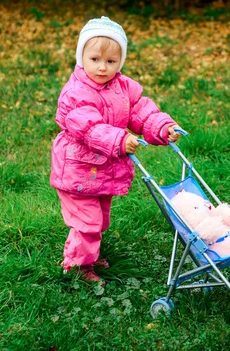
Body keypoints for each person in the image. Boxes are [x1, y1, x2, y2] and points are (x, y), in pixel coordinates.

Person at [50, 16, 181, 283]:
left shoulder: (123, 87)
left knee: (100, 217)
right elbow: (88, 128)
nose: (102, 67)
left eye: (111, 62)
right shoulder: (75, 93)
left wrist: (162, 127)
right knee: (88, 220)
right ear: (81, 57)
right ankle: (77, 267)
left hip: (101, 170)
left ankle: (90, 253)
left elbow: (141, 112)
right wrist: (120, 141)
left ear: (119, 62)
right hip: (77, 170)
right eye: (95, 59)